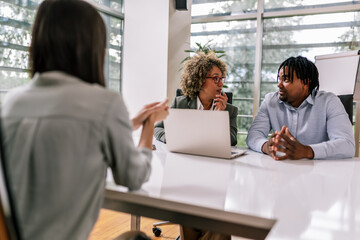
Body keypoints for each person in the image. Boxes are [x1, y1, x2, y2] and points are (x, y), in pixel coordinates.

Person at [1, 0, 169, 239]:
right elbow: (134, 177)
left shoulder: (12, 102)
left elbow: (63, 129)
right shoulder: (104, 104)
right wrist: (149, 124)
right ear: (92, 46)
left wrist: (130, 122)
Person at [246, 56, 355, 160]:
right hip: (281, 169)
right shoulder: (270, 101)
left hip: (320, 173)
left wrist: (307, 151)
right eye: (279, 79)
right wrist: (266, 146)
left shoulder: (329, 102)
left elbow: (347, 144)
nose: (279, 85)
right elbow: (253, 135)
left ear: (306, 82)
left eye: (286, 80)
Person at [154, 51, 238, 146]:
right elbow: (158, 128)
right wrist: (168, 138)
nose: (221, 84)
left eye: (221, 78)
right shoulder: (180, 104)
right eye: (215, 78)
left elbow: (233, 140)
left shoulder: (230, 110)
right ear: (200, 81)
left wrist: (218, 117)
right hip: (187, 156)